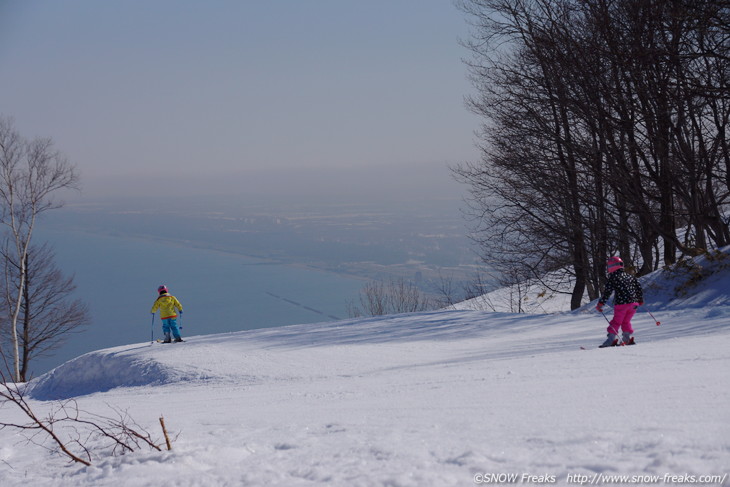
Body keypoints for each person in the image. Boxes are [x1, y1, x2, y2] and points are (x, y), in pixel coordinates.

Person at [595, 256, 644, 347]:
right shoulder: (630, 276)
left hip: (622, 304)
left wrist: (601, 303)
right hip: (634, 304)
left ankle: (611, 340)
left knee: (616, 322)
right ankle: (627, 339)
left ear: (612, 266)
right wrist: (640, 300)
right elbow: (638, 288)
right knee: (626, 321)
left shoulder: (613, 277)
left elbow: (607, 292)